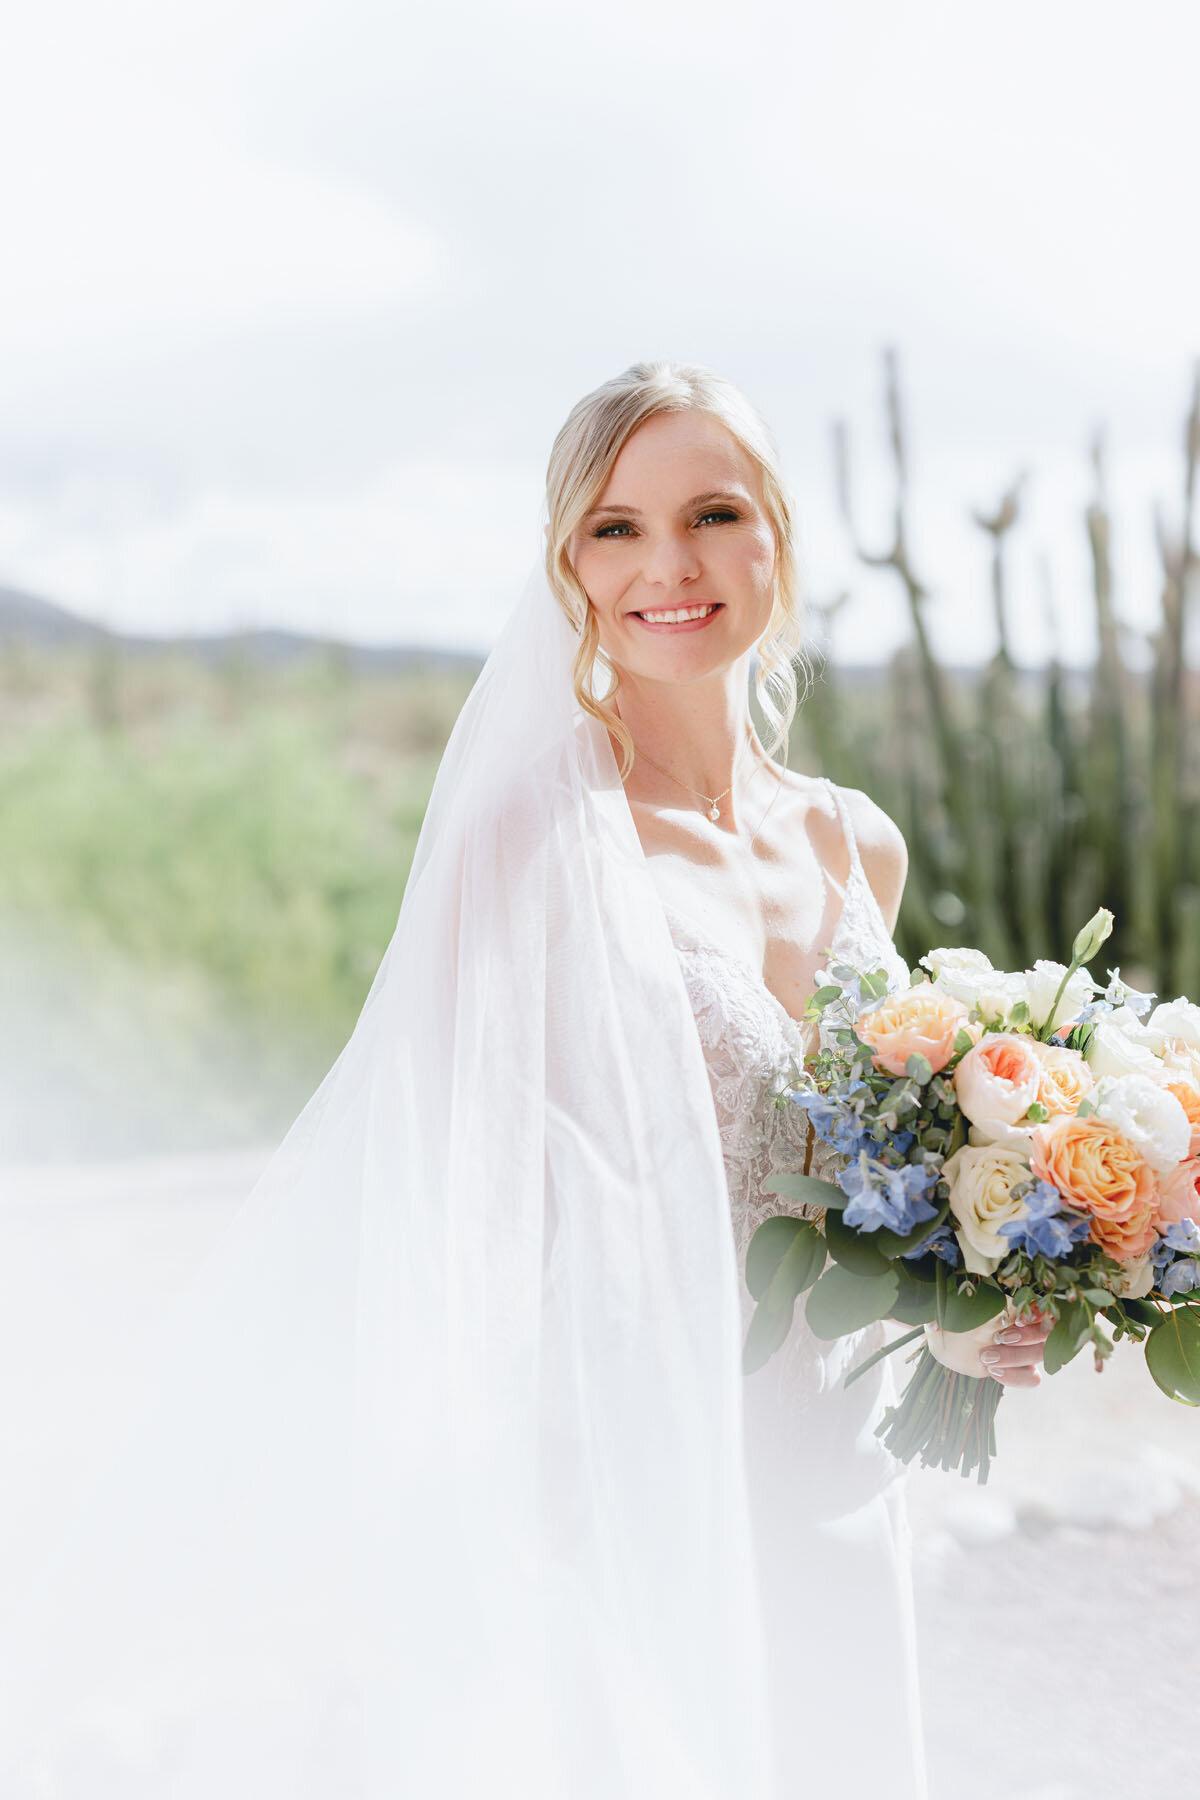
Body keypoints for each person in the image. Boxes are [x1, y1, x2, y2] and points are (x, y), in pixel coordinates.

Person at [0, 360, 1049, 1800]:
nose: (665, 565)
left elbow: (876, 1187)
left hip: (836, 1470)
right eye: (614, 527)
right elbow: (454, 1210)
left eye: (711, 512)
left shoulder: (853, 844)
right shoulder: (531, 849)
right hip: (624, 1478)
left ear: (779, 542)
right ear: (567, 563)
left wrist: (962, 1319)